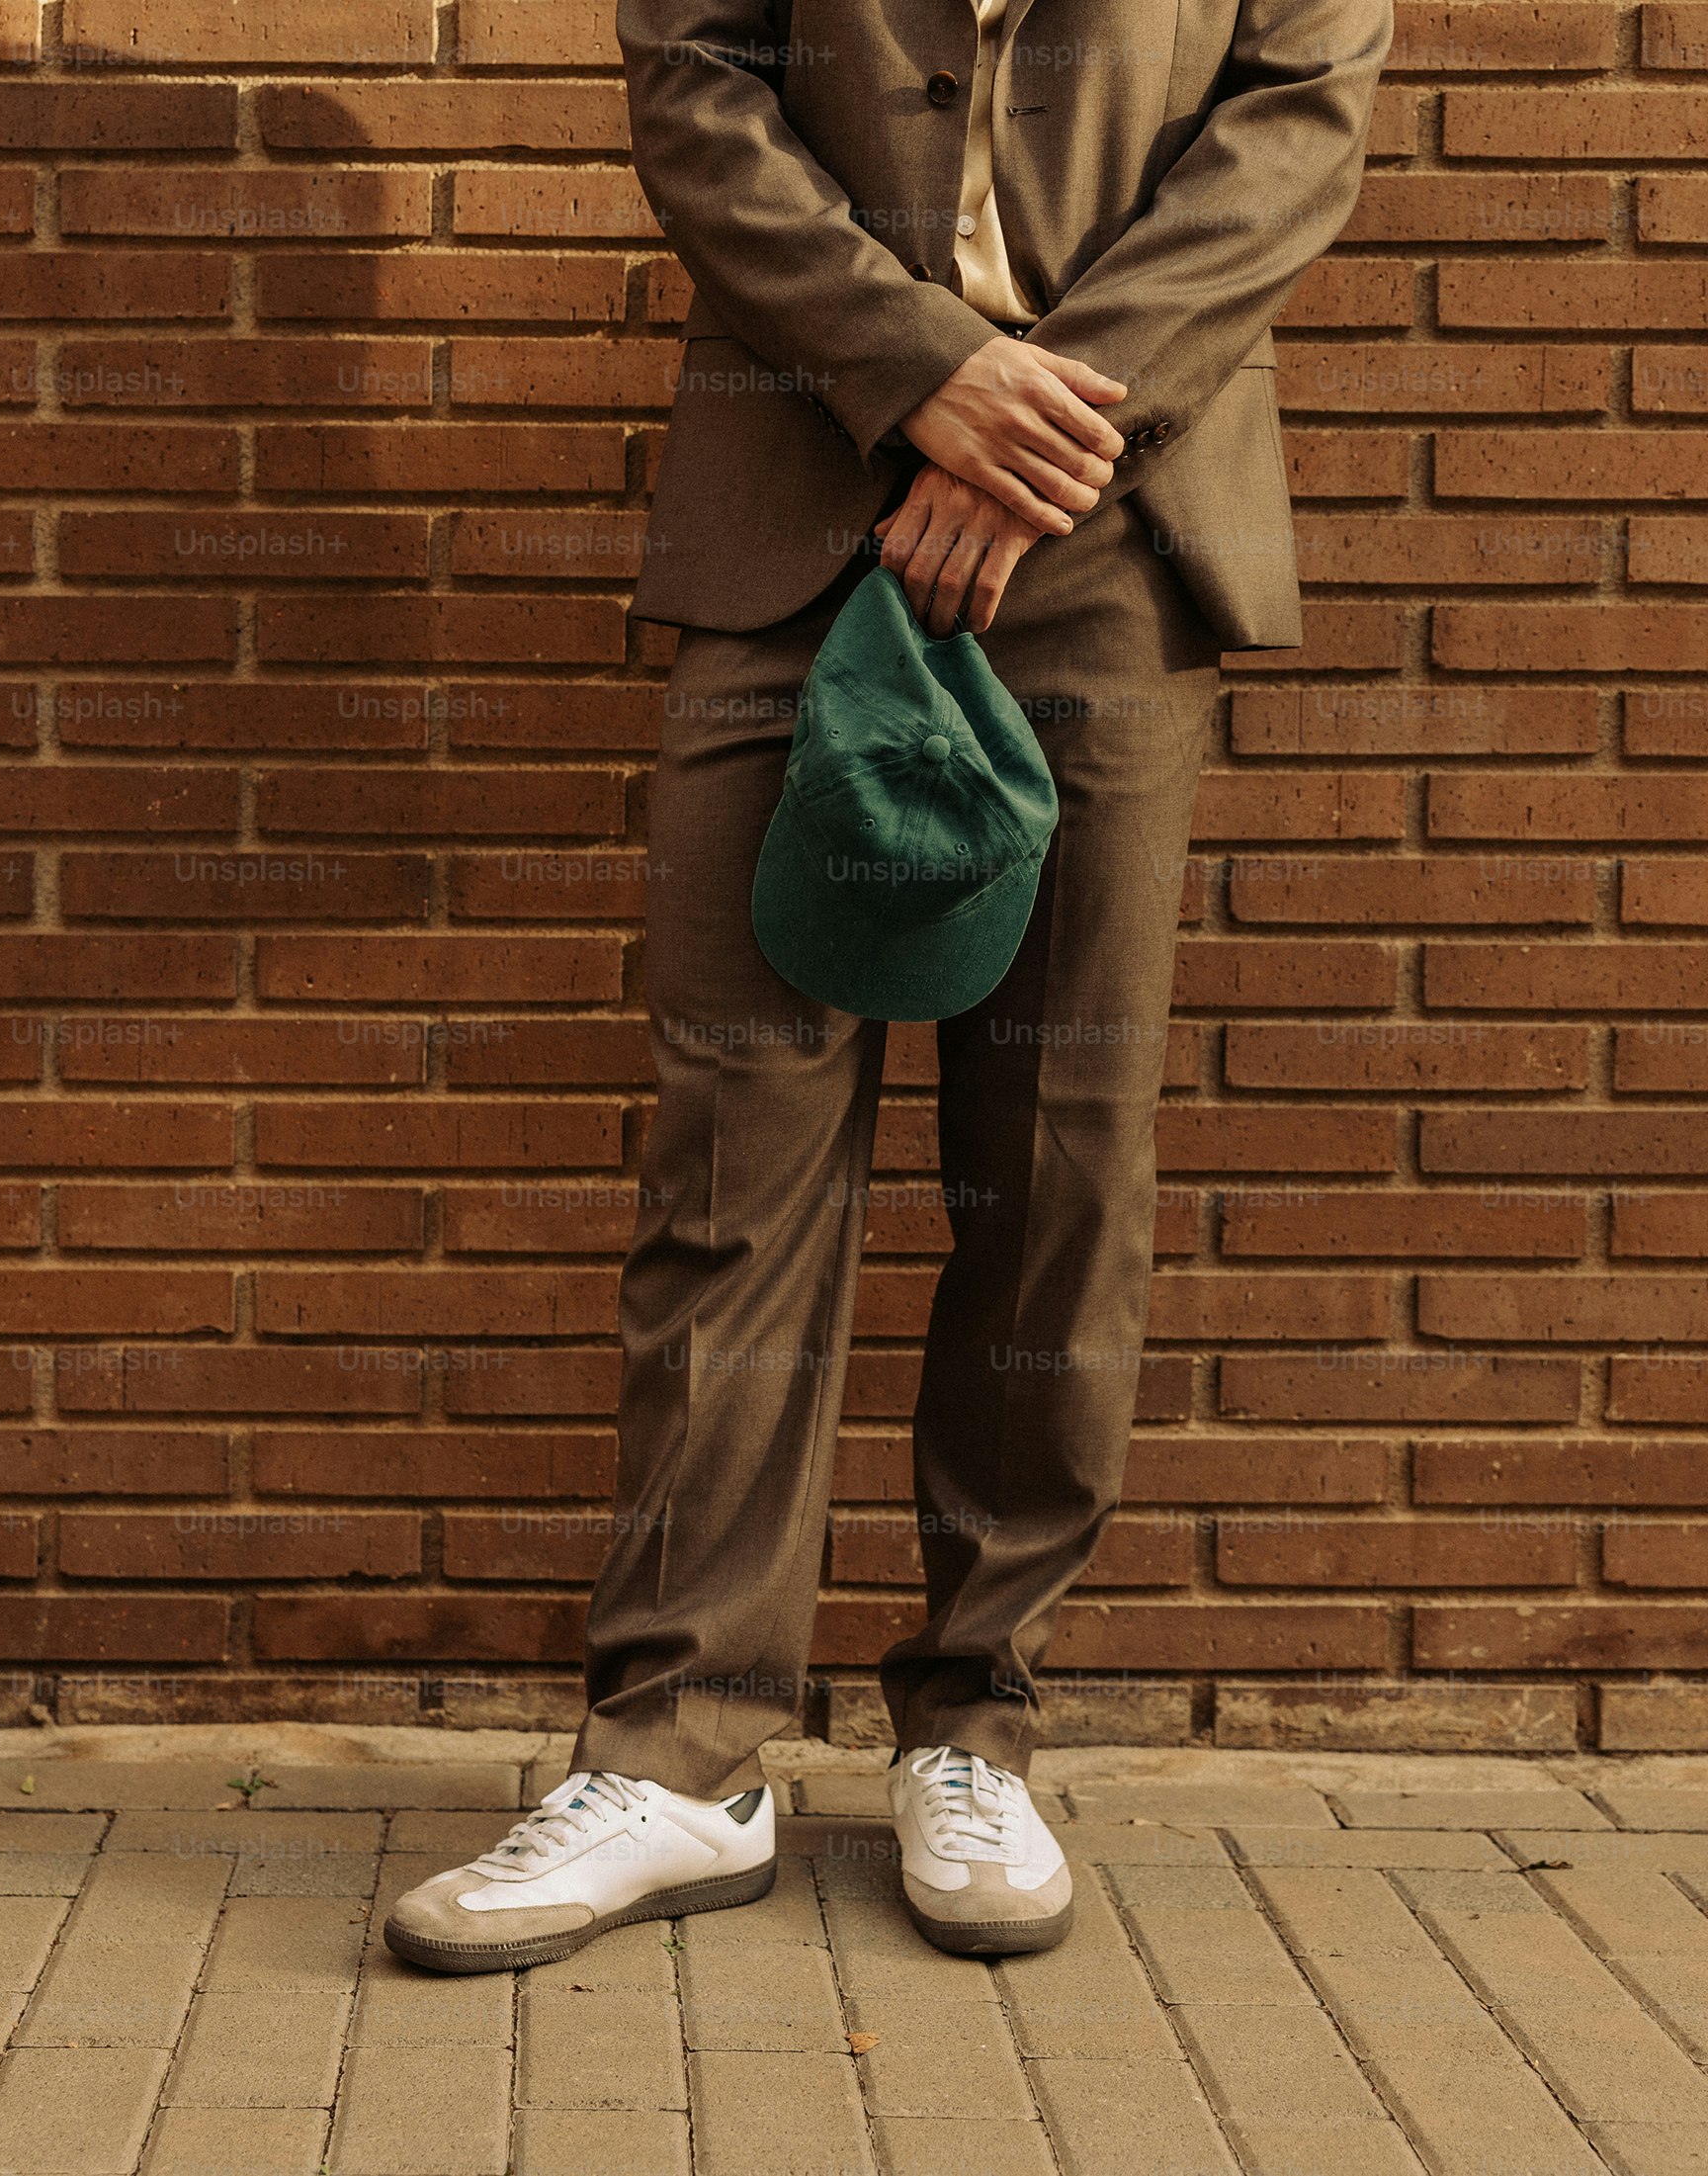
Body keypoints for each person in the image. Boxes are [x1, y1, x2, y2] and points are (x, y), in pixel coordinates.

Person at [384, 0, 1390, 1973]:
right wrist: (920, 370)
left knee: (1060, 1160)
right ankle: (682, 1760)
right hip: (795, 507)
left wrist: (1044, 413)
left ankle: (978, 1724)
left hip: (1118, 521)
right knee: (735, 1153)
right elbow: (699, 95)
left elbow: (1295, 127)